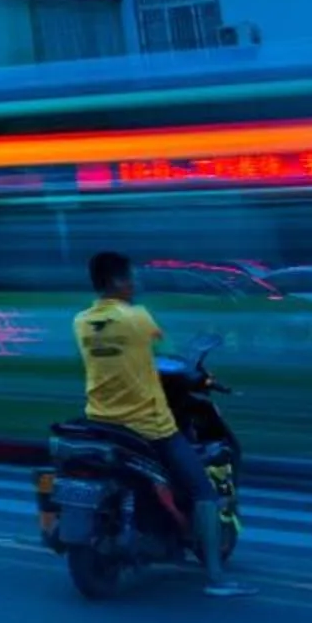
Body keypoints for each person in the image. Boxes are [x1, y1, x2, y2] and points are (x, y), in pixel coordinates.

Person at [79, 250, 249, 597]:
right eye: (130, 278)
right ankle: (216, 576)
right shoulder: (137, 318)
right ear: (117, 282)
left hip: (101, 420)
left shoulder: (81, 321)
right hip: (148, 424)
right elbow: (170, 357)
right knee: (203, 490)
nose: (134, 283)